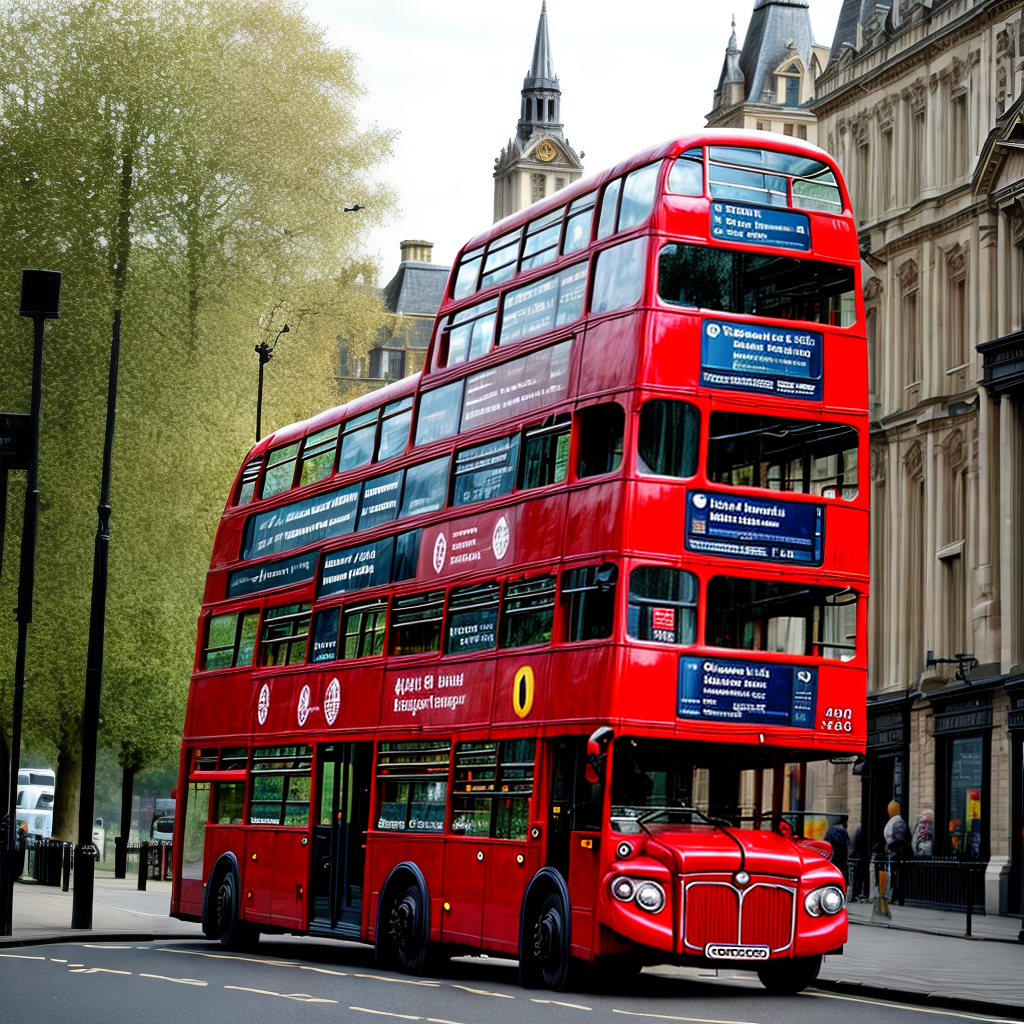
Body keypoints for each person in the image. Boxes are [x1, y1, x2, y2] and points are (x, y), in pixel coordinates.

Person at [883, 800, 910, 906]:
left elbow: (900, 840)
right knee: (894, 876)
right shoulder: (894, 821)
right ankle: (894, 896)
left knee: (897, 876)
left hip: (898, 854)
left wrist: (890, 846)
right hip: (894, 853)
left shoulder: (897, 822)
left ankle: (898, 898)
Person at [823, 814, 851, 883]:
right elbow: (846, 845)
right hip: (839, 861)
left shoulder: (830, 830)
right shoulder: (841, 831)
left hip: (831, 860)